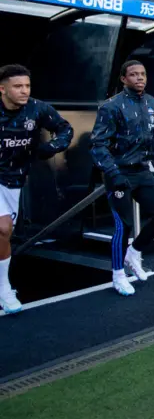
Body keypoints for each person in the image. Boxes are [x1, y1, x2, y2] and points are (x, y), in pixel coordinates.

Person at [90, 61, 154, 296]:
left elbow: (153, 140)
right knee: (123, 225)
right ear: (124, 79)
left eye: (143, 74)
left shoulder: (153, 103)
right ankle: (117, 275)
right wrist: (113, 174)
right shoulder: (111, 106)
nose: (139, 78)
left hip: (142, 171)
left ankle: (134, 253)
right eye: (133, 74)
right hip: (118, 172)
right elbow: (97, 145)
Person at [0, 65, 72, 313]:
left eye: (27, 86)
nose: (24, 91)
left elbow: (65, 129)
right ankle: (5, 289)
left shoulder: (38, 108)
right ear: (2, 89)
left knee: (4, 235)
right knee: (3, 227)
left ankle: (2, 287)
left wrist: (51, 148)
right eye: (18, 86)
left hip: (14, 179)